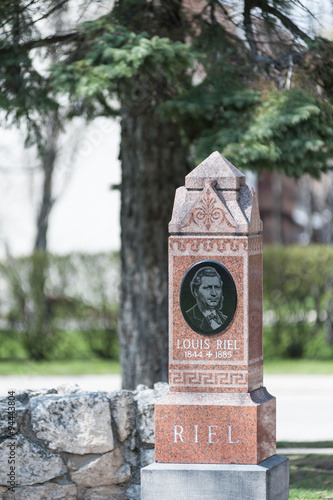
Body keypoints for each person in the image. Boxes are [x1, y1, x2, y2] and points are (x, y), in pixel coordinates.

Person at [186, 266, 227, 333]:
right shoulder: (190, 317)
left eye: (217, 287)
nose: (214, 293)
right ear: (196, 292)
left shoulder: (224, 319)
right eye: (207, 288)